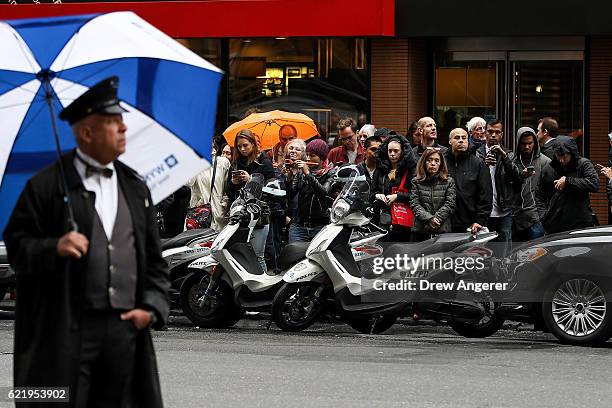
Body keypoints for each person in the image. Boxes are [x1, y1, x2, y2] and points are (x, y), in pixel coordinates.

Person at [3, 77, 169, 407]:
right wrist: (54, 246)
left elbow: (153, 259)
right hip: (66, 332)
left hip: (125, 330)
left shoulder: (136, 188)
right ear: (86, 133)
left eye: (122, 121)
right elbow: (18, 248)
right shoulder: (46, 185)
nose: (123, 129)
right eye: (112, 122)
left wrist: (151, 308)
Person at [228, 129, 275, 272]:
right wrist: (233, 183)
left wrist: (251, 180)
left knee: (258, 255)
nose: (242, 149)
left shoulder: (264, 162)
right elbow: (229, 193)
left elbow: (271, 190)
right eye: (239, 146)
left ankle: (263, 290)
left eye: (245, 145)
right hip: (239, 215)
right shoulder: (236, 163)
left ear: (253, 144)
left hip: (258, 215)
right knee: (239, 254)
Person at [537, 136, 599, 234]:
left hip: (580, 224)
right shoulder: (548, 169)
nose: (561, 160)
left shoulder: (583, 164)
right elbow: (540, 196)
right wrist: (543, 217)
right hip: (554, 225)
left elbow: (594, 183)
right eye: (558, 156)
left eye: (564, 156)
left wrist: (568, 181)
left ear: (571, 153)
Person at [475, 120, 522, 243]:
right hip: (483, 212)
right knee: (483, 250)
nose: (493, 135)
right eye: (490, 131)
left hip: (503, 211)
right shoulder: (477, 153)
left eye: (497, 132)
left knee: (504, 251)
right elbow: (471, 180)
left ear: (501, 135)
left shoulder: (509, 154)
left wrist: (504, 157)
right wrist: (483, 165)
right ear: (485, 133)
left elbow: (517, 178)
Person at [445, 128, 493, 234]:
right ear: (450, 141)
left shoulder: (478, 164)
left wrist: (480, 220)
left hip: (470, 225)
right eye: (457, 138)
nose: (461, 140)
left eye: (464, 138)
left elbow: (485, 194)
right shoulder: (442, 162)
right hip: (444, 223)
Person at [286, 139, 335, 242]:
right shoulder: (302, 171)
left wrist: (308, 174)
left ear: (322, 158)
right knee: (295, 256)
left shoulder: (331, 173)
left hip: (321, 227)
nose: (308, 158)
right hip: (299, 226)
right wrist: (291, 175)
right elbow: (292, 192)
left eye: (312, 155)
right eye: (307, 154)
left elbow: (324, 193)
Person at [372, 134, 418, 241]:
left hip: (403, 222)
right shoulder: (380, 169)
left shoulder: (410, 170)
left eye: (396, 151)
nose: (392, 154)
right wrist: (377, 195)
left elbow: (416, 195)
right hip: (382, 220)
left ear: (402, 151)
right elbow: (371, 193)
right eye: (390, 151)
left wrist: (397, 196)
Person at [511, 127, 550, 241]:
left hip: (536, 216)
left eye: (530, 143)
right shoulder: (513, 162)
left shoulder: (545, 162)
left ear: (535, 142)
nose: (527, 147)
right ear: (518, 143)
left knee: (536, 253)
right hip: (515, 216)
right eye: (523, 144)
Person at [409, 148, 456, 242]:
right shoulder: (416, 181)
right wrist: (429, 219)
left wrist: (436, 219)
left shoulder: (448, 181)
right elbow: (414, 204)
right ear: (424, 162)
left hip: (442, 229)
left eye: (437, 160)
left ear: (441, 163)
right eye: (429, 160)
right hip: (420, 230)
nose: (433, 163)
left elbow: (450, 204)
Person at [186, 146, 231, 232]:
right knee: (197, 243)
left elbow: (227, 188)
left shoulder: (223, 162)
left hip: (218, 214)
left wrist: (224, 205)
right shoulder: (194, 161)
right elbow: (188, 182)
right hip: (199, 213)